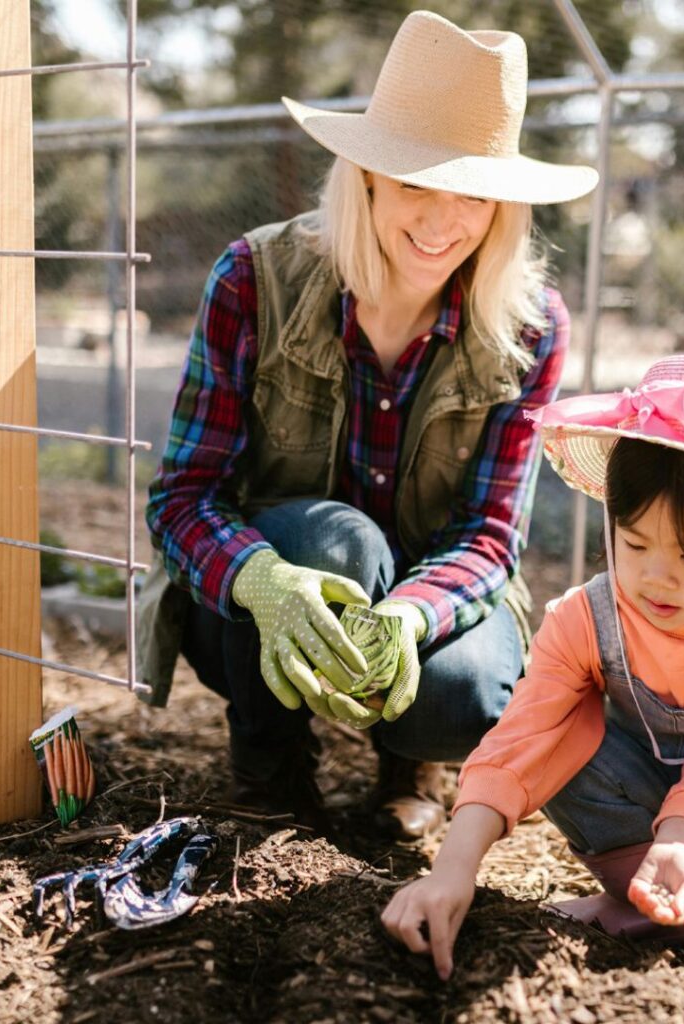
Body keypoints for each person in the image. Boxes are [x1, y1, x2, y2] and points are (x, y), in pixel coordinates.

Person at [136, 10, 597, 844]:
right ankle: (270, 763)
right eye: (418, 181)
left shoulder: (531, 328)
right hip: (250, 607)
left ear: (505, 209)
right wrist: (264, 585)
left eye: (475, 194)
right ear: (369, 177)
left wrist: (412, 616)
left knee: (462, 695)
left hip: (427, 592)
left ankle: (407, 762)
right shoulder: (254, 278)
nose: (443, 219)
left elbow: (492, 537)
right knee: (338, 545)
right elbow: (180, 498)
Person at [382, 355, 684, 1014]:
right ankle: (643, 899)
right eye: (634, 543)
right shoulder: (586, 619)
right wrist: (452, 871)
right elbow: (522, 738)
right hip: (639, 809)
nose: (656, 577)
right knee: (564, 743)